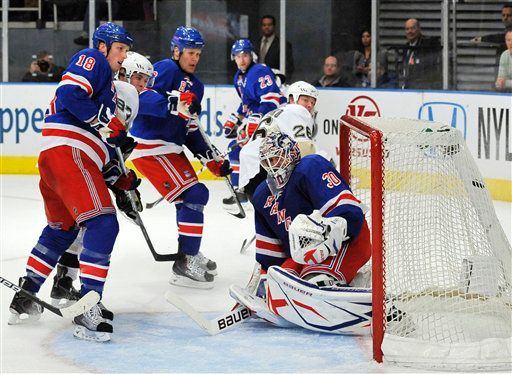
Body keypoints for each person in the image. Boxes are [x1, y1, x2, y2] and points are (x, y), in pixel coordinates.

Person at [8, 22, 138, 343]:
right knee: (103, 224)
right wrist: (107, 123)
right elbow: (68, 94)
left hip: (59, 159)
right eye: (119, 48)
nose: (123, 56)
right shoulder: (93, 59)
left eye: (125, 50)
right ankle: (87, 304)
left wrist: (121, 181)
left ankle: (26, 294)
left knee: (61, 231)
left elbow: (102, 149)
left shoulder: (103, 94)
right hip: (70, 152)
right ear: (104, 46)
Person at [230, 131, 371, 332]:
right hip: (304, 254)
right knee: (278, 284)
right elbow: (270, 256)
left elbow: (349, 211)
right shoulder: (262, 194)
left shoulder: (310, 167)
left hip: (346, 242)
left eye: (277, 157)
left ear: (292, 154)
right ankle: (347, 283)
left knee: (315, 283)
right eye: (267, 160)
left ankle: (384, 309)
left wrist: (335, 229)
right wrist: (261, 283)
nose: (273, 165)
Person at [128, 26, 230, 289]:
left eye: (198, 53)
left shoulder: (198, 85)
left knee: (188, 200)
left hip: (171, 148)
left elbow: (190, 127)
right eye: (190, 53)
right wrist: (175, 103)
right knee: (196, 194)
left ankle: (189, 252)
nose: (195, 58)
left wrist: (209, 157)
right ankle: (186, 260)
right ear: (176, 51)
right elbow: (141, 97)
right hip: (150, 146)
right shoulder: (164, 69)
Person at [49, 52, 147, 309]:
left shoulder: (126, 97)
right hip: (75, 158)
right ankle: (70, 284)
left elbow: (113, 156)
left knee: (82, 224)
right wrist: (121, 188)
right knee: (89, 223)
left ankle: (63, 282)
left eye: (144, 80)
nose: (140, 85)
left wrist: (124, 188)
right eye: (137, 77)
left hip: (84, 159)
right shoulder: (108, 89)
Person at [221, 39, 286, 212]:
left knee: (240, 151)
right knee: (235, 150)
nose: (242, 59)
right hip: (259, 121)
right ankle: (240, 192)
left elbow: (272, 99)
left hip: (274, 121)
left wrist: (257, 119)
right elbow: (246, 104)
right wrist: (236, 117)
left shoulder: (259, 70)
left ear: (252, 56)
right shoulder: (238, 77)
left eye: (245, 55)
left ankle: (248, 192)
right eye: (238, 56)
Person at [238, 81, 320, 202]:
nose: (309, 105)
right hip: (270, 171)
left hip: (249, 176)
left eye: (312, 102)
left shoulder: (277, 112)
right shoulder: (298, 111)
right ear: (292, 99)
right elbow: (305, 148)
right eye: (305, 100)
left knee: (267, 216)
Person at [399, 18, 441, 89]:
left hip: (422, 88)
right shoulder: (406, 47)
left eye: (412, 28)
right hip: (407, 87)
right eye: (407, 29)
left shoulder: (426, 44)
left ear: (419, 29)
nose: (410, 31)